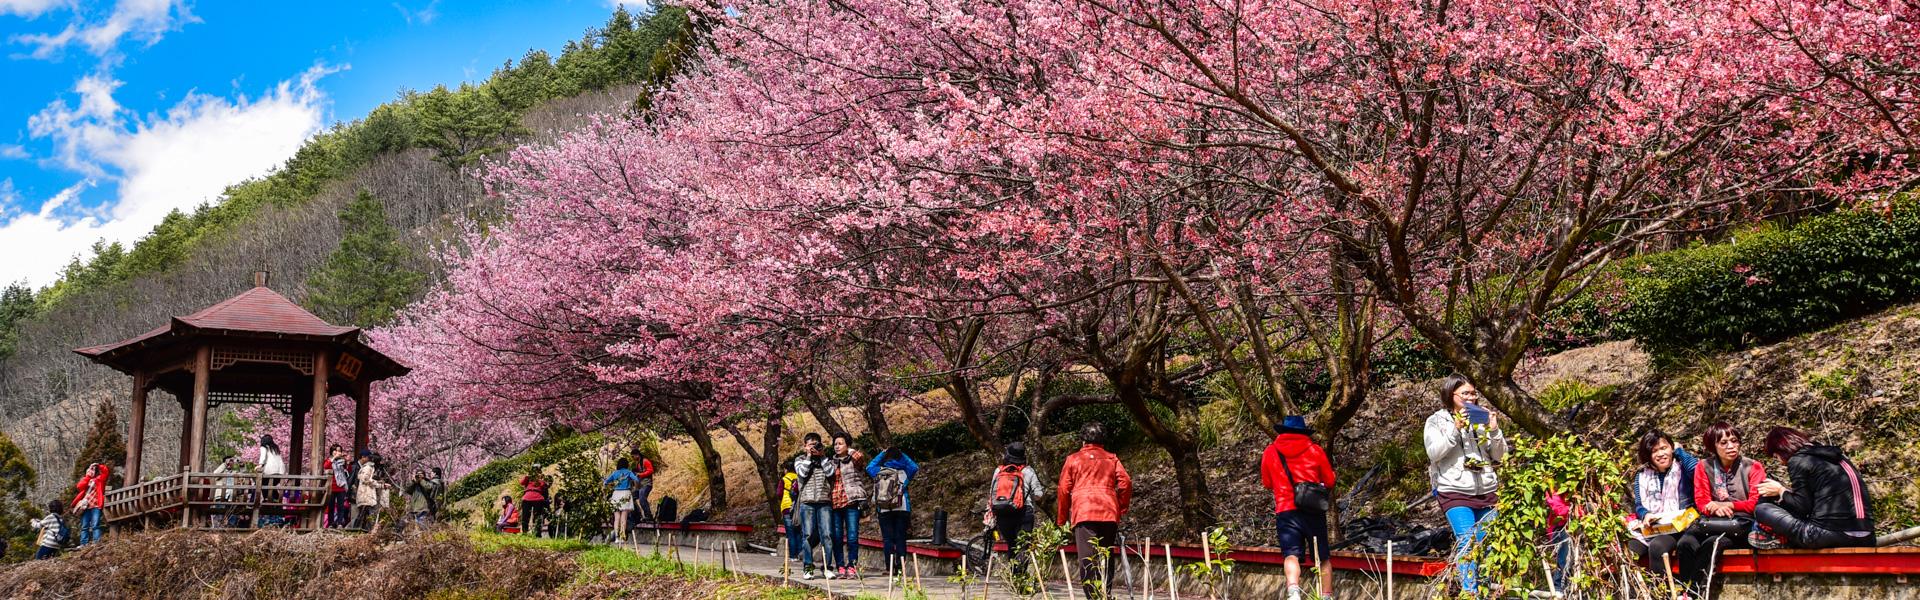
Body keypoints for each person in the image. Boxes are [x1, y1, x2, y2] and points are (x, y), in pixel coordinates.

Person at [1424, 376, 1508, 595]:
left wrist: (1494, 431)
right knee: (1467, 542)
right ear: (1451, 395)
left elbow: (1500, 456)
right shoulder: (1436, 421)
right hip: (1454, 491)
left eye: (1473, 393)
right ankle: (1470, 594)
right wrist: (1455, 429)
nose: (1472, 397)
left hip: (1487, 490)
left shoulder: (1480, 418)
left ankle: (1484, 592)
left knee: (1489, 546)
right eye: (1466, 394)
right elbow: (1434, 454)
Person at [1753, 427, 1875, 549]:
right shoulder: (1837, 456)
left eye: (1776, 456)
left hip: (1828, 535)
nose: (1780, 462)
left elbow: (1802, 507)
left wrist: (1780, 490)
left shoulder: (1797, 460)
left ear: (1782, 449)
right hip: (1867, 535)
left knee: (1762, 509)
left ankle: (1783, 540)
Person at [1260, 416, 1335, 600]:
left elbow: (1267, 482)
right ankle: (1326, 596)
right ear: (1303, 432)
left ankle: (1294, 592)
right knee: (1322, 556)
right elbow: (1330, 480)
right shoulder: (1315, 450)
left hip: (1285, 511)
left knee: (1291, 554)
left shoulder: (1270, 452)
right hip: (1313, 510)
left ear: (1283, 431)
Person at [1057, 421, 1133, 600]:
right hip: (1108, 511)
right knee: (1106, 553)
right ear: (1103, 440)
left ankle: (1093, 597)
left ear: (1083, 440)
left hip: (1084, 512)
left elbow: (1063, 489)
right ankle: (1105, 593)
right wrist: (1121, 506)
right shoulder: (1112, 458)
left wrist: (1061, 519)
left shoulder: (1073, 459)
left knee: (1087, 558)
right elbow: (1126, 483)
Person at [1625, 430, 1707, 594]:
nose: (1661, 453)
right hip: (1652, 526)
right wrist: (1645, 514)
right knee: (1628, 551)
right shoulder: (1642, 475)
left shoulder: (1682, 468)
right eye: (1655, 451)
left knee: (1657, 546)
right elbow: (1639, 504)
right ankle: (1636, 595)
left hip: (1679, 525)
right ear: (1648, 455)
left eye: (1665, 448)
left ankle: (1662, 595)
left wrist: (1679, 451)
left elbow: (1698, 470)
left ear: (1671, 447)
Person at [1692, 421, 1765, 560]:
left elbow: (1755, 503)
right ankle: (1683, 582)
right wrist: (1714, 509)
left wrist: (1726, 505)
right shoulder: (1703, 466)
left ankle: (1701, 582)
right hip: (1714, 521)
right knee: (1686, 543)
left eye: (1734, 441)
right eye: (1723, 443)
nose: (1731, 446)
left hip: (1742, 523)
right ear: (1713, 446)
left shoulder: (1753, 466)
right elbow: (1701, 501)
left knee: (1712, 544)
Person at [985, 442, 1046, 579]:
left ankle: (1013, 576)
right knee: (1023, 546)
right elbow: (1039, 494)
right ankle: (1020, 579)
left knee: (1011, 545)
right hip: (1024, 513)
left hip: (1003, 514)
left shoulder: (999, 471)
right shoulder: (1028, 471)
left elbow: (992, 493)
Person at [867, 445, 920, 582]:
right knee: (900, 538)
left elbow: (869, 467)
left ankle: (889, 568)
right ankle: (901, 567)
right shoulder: (904, 471)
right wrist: (902, 454)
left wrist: (881, 454)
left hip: (884, 509)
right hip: (902, 507)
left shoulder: (879, 471)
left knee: (887, 538)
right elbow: (914, 467)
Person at [792, 433, 837, 579]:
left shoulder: (826, 460)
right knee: (807, 535)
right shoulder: (799, 460)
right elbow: (802, 473)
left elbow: (831, 473)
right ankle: (808, 567)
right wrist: (809, 457)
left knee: (827, 535)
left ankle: (827, 567)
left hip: (824, 501)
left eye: (816, 444)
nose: (813, 447)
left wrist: (822, 456)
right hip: (807, 502)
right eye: (810, 445)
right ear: (805, 446)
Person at [829, 433, 869, 579]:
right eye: (835, 444)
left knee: (852, 536)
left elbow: (860, 457)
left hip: (851, 501)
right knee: (837, 537)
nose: (837, 446)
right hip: (835, 503)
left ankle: (852, 566)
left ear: (847, 445)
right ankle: (840, 566)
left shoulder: (853, 460)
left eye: (840, 443)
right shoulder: (831, 462)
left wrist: (850, 450)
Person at [604, 458, 641, 542]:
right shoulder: (628, 472)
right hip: (625, 494)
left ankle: (616, 537)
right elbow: (636, 480)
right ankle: (622, 537)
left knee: (616, 518)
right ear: (626, 464)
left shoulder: (615, 473)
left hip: (616, 494)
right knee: (624, 517)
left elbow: (605, 482)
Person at [71, 462, 109, 546]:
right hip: (85, 506)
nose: (91, 471)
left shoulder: (99, 479)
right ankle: (83, 543)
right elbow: (79, 486)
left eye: (93, 470)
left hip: (96, 505)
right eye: (90, 470)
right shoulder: (85, 479)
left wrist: (98, 466)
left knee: (95, 525)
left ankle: (97, 542)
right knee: (85, 526)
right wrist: (88, 476)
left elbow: (106, 472)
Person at [353, 453, 390, 531]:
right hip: (366, 494)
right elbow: (365, 479)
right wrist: (380, 485)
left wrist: (379, 482)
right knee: (366, 514)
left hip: (368, 494)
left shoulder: (369, 467)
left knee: (365, 514)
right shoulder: (368, 467)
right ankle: (360, 530)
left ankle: (362, 530)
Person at [782, 460, 804, 564]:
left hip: (787, 507)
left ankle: (793, 555)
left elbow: (778, 493)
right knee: (799, 532)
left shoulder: (784, 479)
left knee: (790, 533)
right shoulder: (799, 477)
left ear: (785, 469)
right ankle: (800, 554)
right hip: (799, 507)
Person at [520, 465, 551, 537]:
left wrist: (540, 479)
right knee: (526, 516)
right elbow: (522, 482)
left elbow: (544, 486)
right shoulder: (529, 477)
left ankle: (536, 533)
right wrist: (527, 476)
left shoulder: (542, 477)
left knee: (535, 516)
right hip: (529, 497)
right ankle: (526, 533)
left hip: (537, 497)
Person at [324, 446, 351, 528]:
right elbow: (326, 466)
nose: (337, 452)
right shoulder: (329, 460)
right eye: (335, 450)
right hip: (331, 486)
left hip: (341, 486)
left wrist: (348, 461)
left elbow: (348, 470)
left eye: (339, 451)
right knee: (331, 506)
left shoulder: (343, 461)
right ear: (332, 452)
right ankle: (331, 523)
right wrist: (334, 458)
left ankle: (339, 523)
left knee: (341, 506)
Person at [257, 435, 287, 501]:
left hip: (271, 470)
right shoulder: (275, 447)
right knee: (271, 485)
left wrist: (260, 465)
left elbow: (263, 456)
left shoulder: (264, 447)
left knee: (262, 484)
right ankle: (275, 498)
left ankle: (267, 499)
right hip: (280, 471)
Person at [632, 449, 657, 524]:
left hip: (647, 484)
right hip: (640, 485)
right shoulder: (638, 463)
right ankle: (638, 515)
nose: (633, 458)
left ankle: (649, 516)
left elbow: (651, 470)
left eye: (633, 456)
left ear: (637, 455)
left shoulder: (645, 461)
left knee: (642, 499)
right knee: (632, 497)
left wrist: (640, 474)